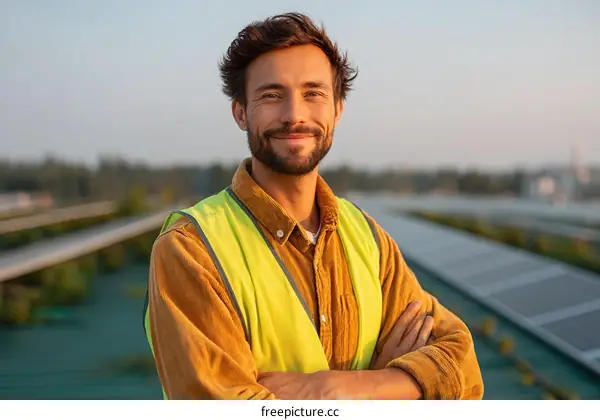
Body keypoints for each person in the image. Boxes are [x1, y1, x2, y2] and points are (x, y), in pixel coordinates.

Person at [143, 12, 484, 400]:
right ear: (240, 112)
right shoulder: (192, 249)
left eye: (313, 93)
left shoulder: (367, 238)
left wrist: (343, 388)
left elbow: (463, 369)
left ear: (337, 109)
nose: (294, 115)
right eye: (272, 95)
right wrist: (399, 389)